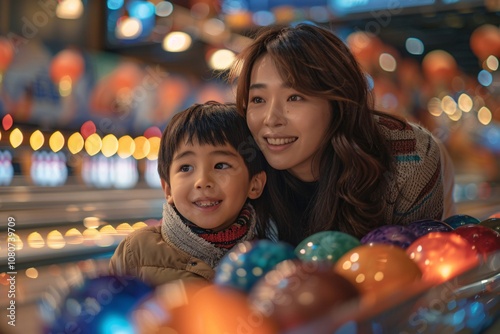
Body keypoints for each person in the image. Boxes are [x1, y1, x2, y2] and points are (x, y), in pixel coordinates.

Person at [228, 23, 456, 246]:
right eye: (258, 99)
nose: (270, 119)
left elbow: (420, 267)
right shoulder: (237, 163)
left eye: (294, 97)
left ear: (337, 102)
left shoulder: (408, 158)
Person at [109, 101, 267, 286]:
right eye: (186, 167)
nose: (202, 181)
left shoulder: (266, 259)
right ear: (168, 189)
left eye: (221, 165)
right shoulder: (135, 252)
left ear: (254, 185)